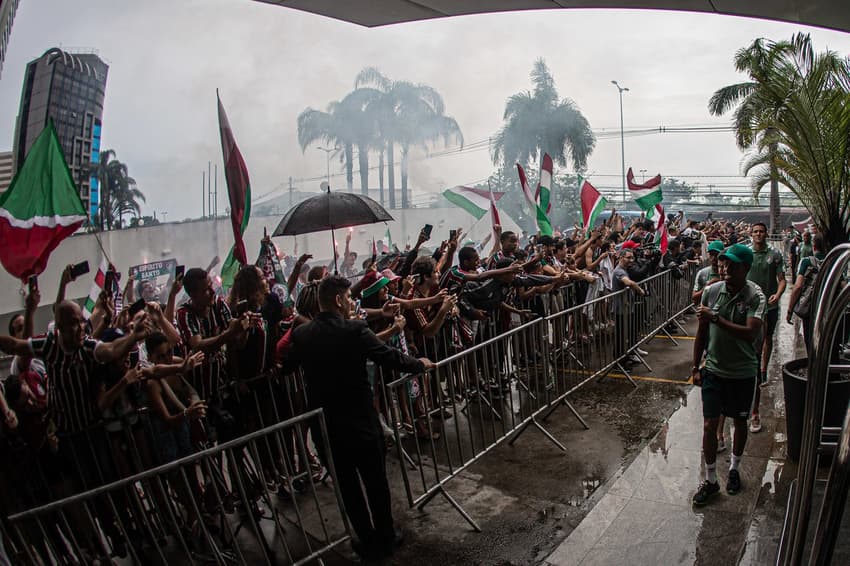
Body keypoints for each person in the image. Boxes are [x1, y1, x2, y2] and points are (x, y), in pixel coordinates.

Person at [282, 275, 434, 560]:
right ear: (339, 300)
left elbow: (287, 364)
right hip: (361, 423)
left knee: (348, 487)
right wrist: (419, 365)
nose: (353, 302)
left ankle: (366, 539)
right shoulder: (355, 330)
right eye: (350, 298)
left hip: (326, 427)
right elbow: (389, 357)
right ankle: (386, 537)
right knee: (376, 482)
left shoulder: (303, 334)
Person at [691, 243, 765, 506]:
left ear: (745, 268)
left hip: (743, 372)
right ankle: (711, 480)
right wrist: (695, 365)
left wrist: (716, 319)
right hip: (713, 370)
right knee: (710, 424)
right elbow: (701, 331)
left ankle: (734, 468)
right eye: (723, 264)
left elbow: (751, 333)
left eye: (732, 265)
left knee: (739, 422)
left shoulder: (755, 296)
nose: (725, 269)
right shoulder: (710, 292)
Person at [746, 222, 786, 434]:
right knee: (751, 339)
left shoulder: (775, 255)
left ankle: (763, 369)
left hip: (770, 305)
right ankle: (752, 369)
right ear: (751, 234)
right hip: (751, 306)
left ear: (766, 234)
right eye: (755, 232)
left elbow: (782, 280)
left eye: (761, 231)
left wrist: (778, 295)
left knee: (767, 338)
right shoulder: (747, 253)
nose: (758, 234)